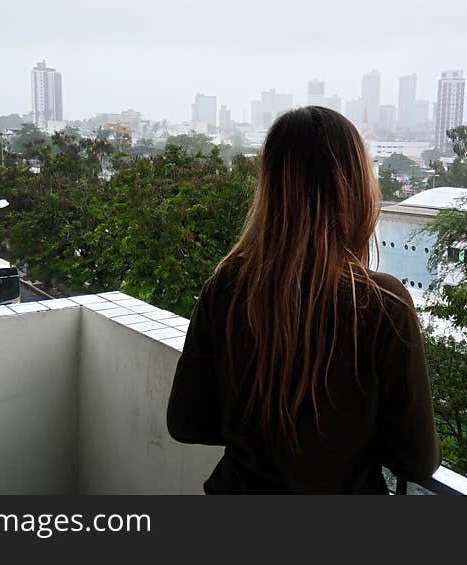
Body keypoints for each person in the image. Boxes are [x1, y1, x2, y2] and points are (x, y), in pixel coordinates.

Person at [167, 106, 441, 494]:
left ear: (270, 189)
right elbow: (418, 460)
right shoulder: (382, 304)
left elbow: (186, 421)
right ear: (356, 189)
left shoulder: (227, 286)